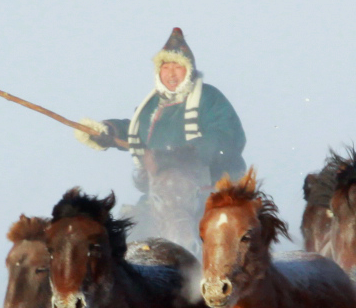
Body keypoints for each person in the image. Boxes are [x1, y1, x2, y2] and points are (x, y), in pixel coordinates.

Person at [83, 28, 247, 243]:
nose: (171, 74)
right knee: (131, 235)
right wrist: (108, 131)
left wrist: (182, 156)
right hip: (161, 195)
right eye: (165, 67)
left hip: (209, 192)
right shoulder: (152, 105)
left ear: (188, 70)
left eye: (177, 67)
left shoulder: (209, 98)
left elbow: (227, 136)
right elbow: (136, 131)